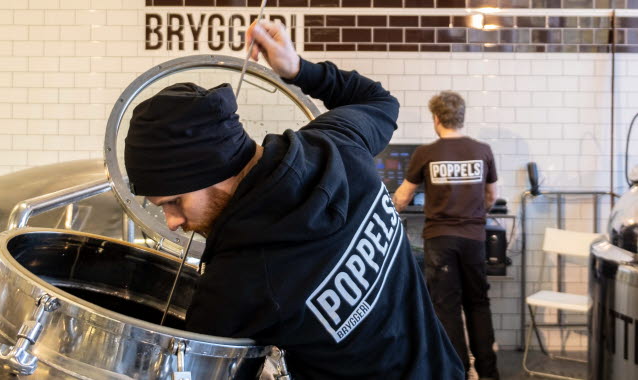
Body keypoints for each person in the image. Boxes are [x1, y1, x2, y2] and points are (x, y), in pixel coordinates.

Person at [124, 20, 463, 379]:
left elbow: (194, 371)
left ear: (209, 171)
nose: (173, 221)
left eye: (173, 202)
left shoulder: (236, 283)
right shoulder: (336, 144)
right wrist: (299, 69)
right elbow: (379, 101)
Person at [392, 91, 500, 380]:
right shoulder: (483, 151)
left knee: (446, 305)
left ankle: (459, 370)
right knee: (478, 302)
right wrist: (474, 214)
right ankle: (489, 372)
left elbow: (402, 198)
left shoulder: (426, 154)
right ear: (461, 118)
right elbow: (492, 196)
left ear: (436, 119)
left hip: (440, 239)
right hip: (474, 238)